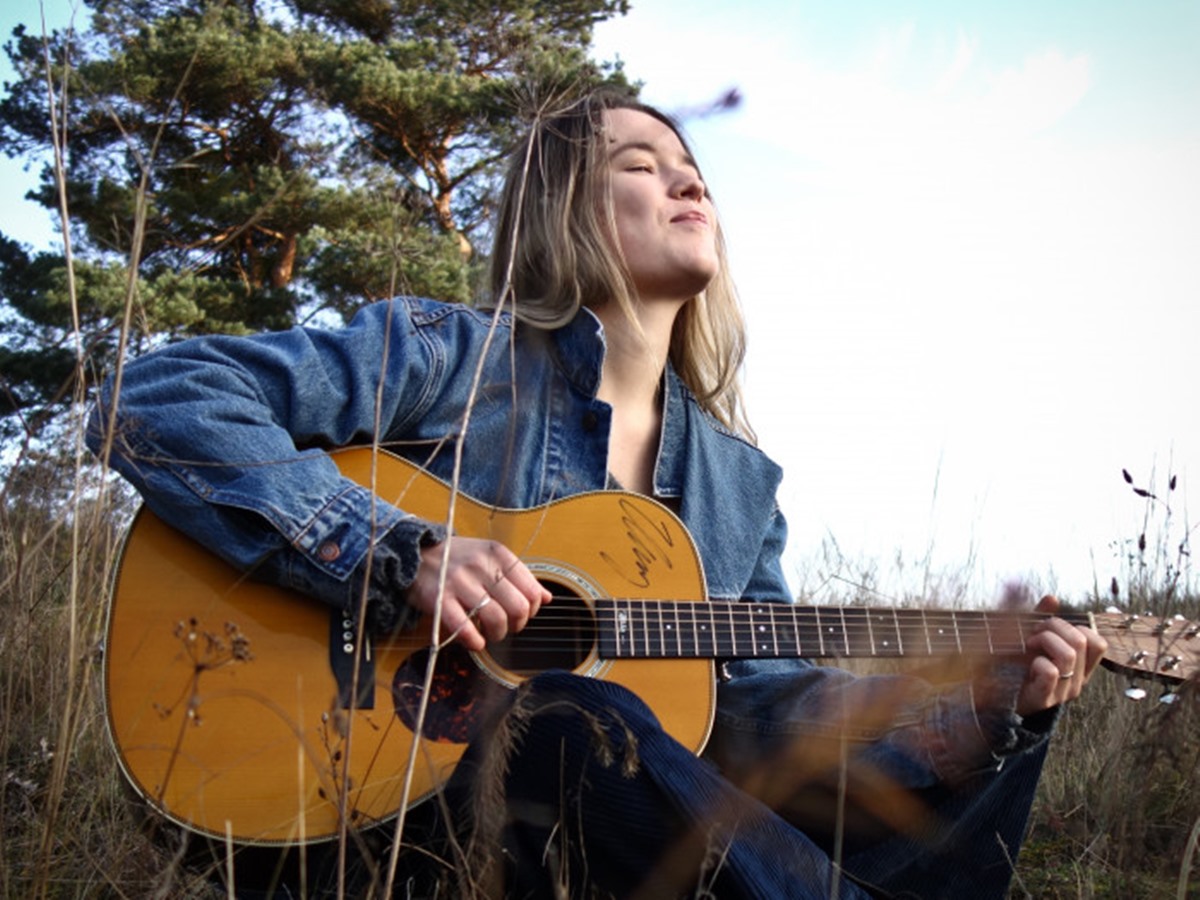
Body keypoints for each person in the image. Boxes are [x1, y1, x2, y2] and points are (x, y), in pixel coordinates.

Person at [88, 89, 1106, 899]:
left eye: (693, 171)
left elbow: (759, 721)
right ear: (563, 207)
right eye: (641, 166)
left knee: (980, 773)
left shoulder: (738, 486)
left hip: (605, 847)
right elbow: (158, 396)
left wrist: (972, 718)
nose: (689, 183)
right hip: (374, 818)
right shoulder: (454, 357)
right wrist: (398, 554)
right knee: (564, 716)